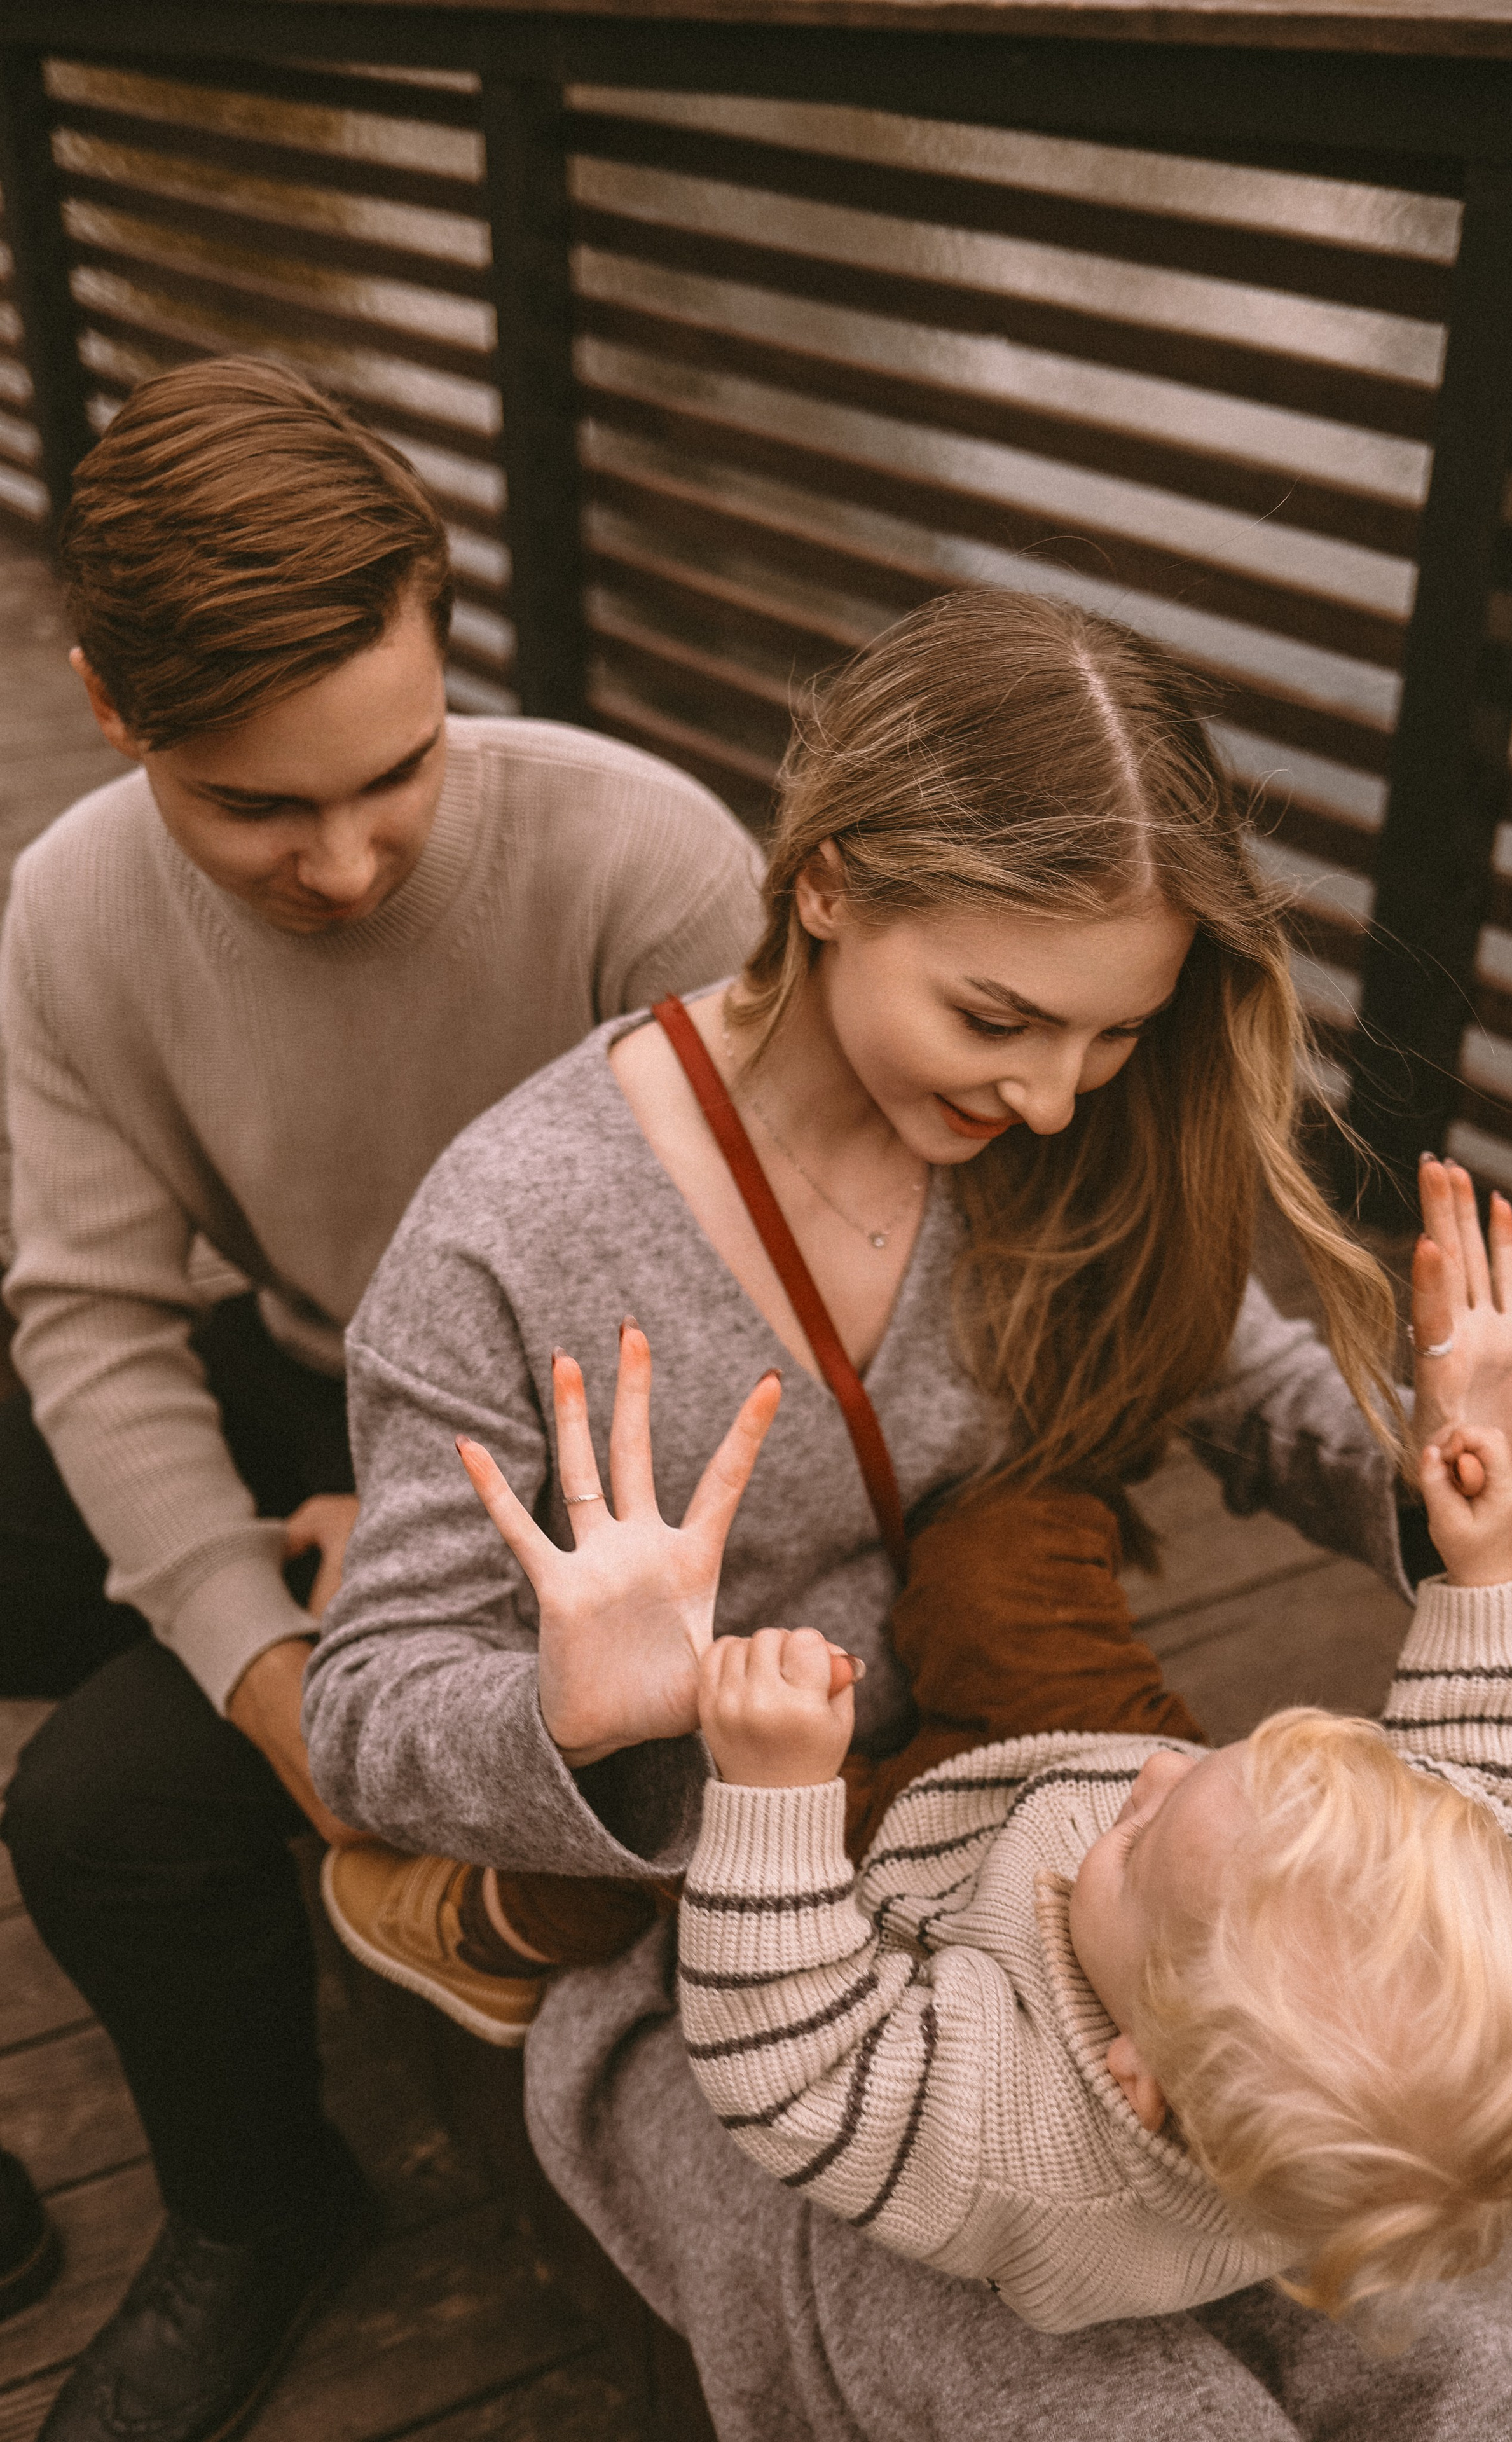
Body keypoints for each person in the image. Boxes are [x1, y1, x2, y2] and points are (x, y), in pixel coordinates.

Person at [306, 590, 1512, 2435]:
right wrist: (576, 1713)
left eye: (1108, 1036)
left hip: (1091, 1831)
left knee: (1419, 2234)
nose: (1049, 1091)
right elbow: (366, 1716)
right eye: (998, 1017)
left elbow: (1225, 1373)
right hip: (758, 1947)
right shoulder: (509, 1229)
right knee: (1088, 2395)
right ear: (826, 880)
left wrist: (1427, 1467)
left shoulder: (1072, 1123)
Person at [0, 354, 764, 2442]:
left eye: (396, 771)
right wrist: (262, 1674)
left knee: (96, 1818)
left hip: (592, 1450)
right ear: (105, 705)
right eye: (256, 802)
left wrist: (433, 1528)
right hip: (308, 1370)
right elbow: (85, 1317)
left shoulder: (654, 868)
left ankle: (251, 2209)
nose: (345, 862)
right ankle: (250, 2189)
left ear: (448, 641)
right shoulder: (67, 912)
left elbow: (784, 1326)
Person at [672, 1420, 1512, 2329]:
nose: (1154, 1777)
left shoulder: (1009, 2145)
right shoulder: (1432, 1887)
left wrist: (774, 1793)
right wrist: (1481, 1569)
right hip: (1072, 1737)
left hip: (893, 1883)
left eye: (1138, 1844)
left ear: (1138, 2074)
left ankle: (535, 1921)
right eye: (1212, 1767)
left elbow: (801, 2077)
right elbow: (1483, 1782)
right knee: (1013, 1525)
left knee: (680, 1760)